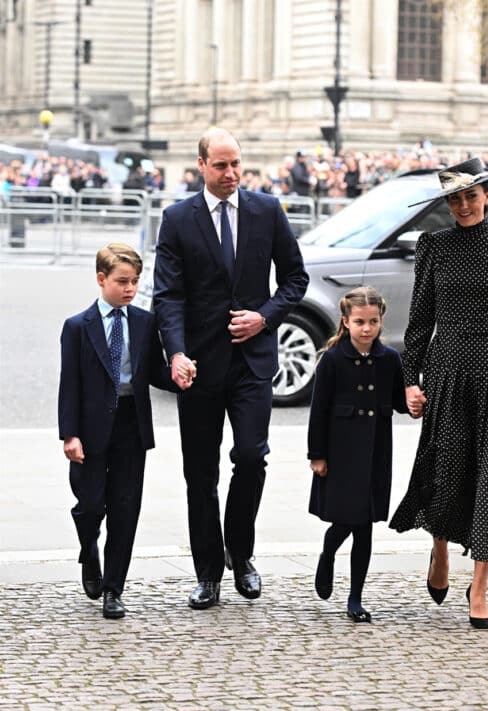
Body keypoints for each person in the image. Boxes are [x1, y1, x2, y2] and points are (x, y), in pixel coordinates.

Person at [153, 127, 309, 610]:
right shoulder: (178, 219)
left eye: (236, 163)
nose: (231, 174)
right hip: (197, 364)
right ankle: (207, 573)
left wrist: (265, 315)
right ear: (201, 165)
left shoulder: (266, 211)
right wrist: (176, 353)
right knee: (200, 474)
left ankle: (240, 555)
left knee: (250, 456)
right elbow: (168, 295)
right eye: (220, 165)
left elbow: (295, 278)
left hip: (252, 362)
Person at [389, 158, 488, 629]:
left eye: (470, 196)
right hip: (447, 368)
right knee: (446, 467)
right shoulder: (433, 247)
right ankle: (439, 547)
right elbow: (419, 321)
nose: (462, 205)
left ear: (487, 198)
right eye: (454, 198)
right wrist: (411, 381)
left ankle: (479, 586)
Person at [58, 243, 192, 619]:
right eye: (122, 281)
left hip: (131, 424)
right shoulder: (77, 327)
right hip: (90, 428)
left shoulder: (144, 322)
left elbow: (153, 373)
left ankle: (114, 588)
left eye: (135, 281)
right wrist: (70, 434)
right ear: (101, 279)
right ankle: (89, 553)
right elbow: (69, 385)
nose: (130, 288)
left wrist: (178, 376)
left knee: (124, 509)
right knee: (89, 506)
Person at [308, 286, 407, 623]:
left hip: (376, 453)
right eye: (360, 321)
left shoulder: (390, 359)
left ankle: (356, 598)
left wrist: (414, 403)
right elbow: (318, 410)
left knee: (364, 526)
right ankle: (328, 552)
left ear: (381, 321)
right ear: (346, 321)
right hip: (341, 453)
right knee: (345, 521)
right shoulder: (333, 359)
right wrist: (317, 455)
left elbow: (398, 401)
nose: (367, 328)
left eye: (374, 321)